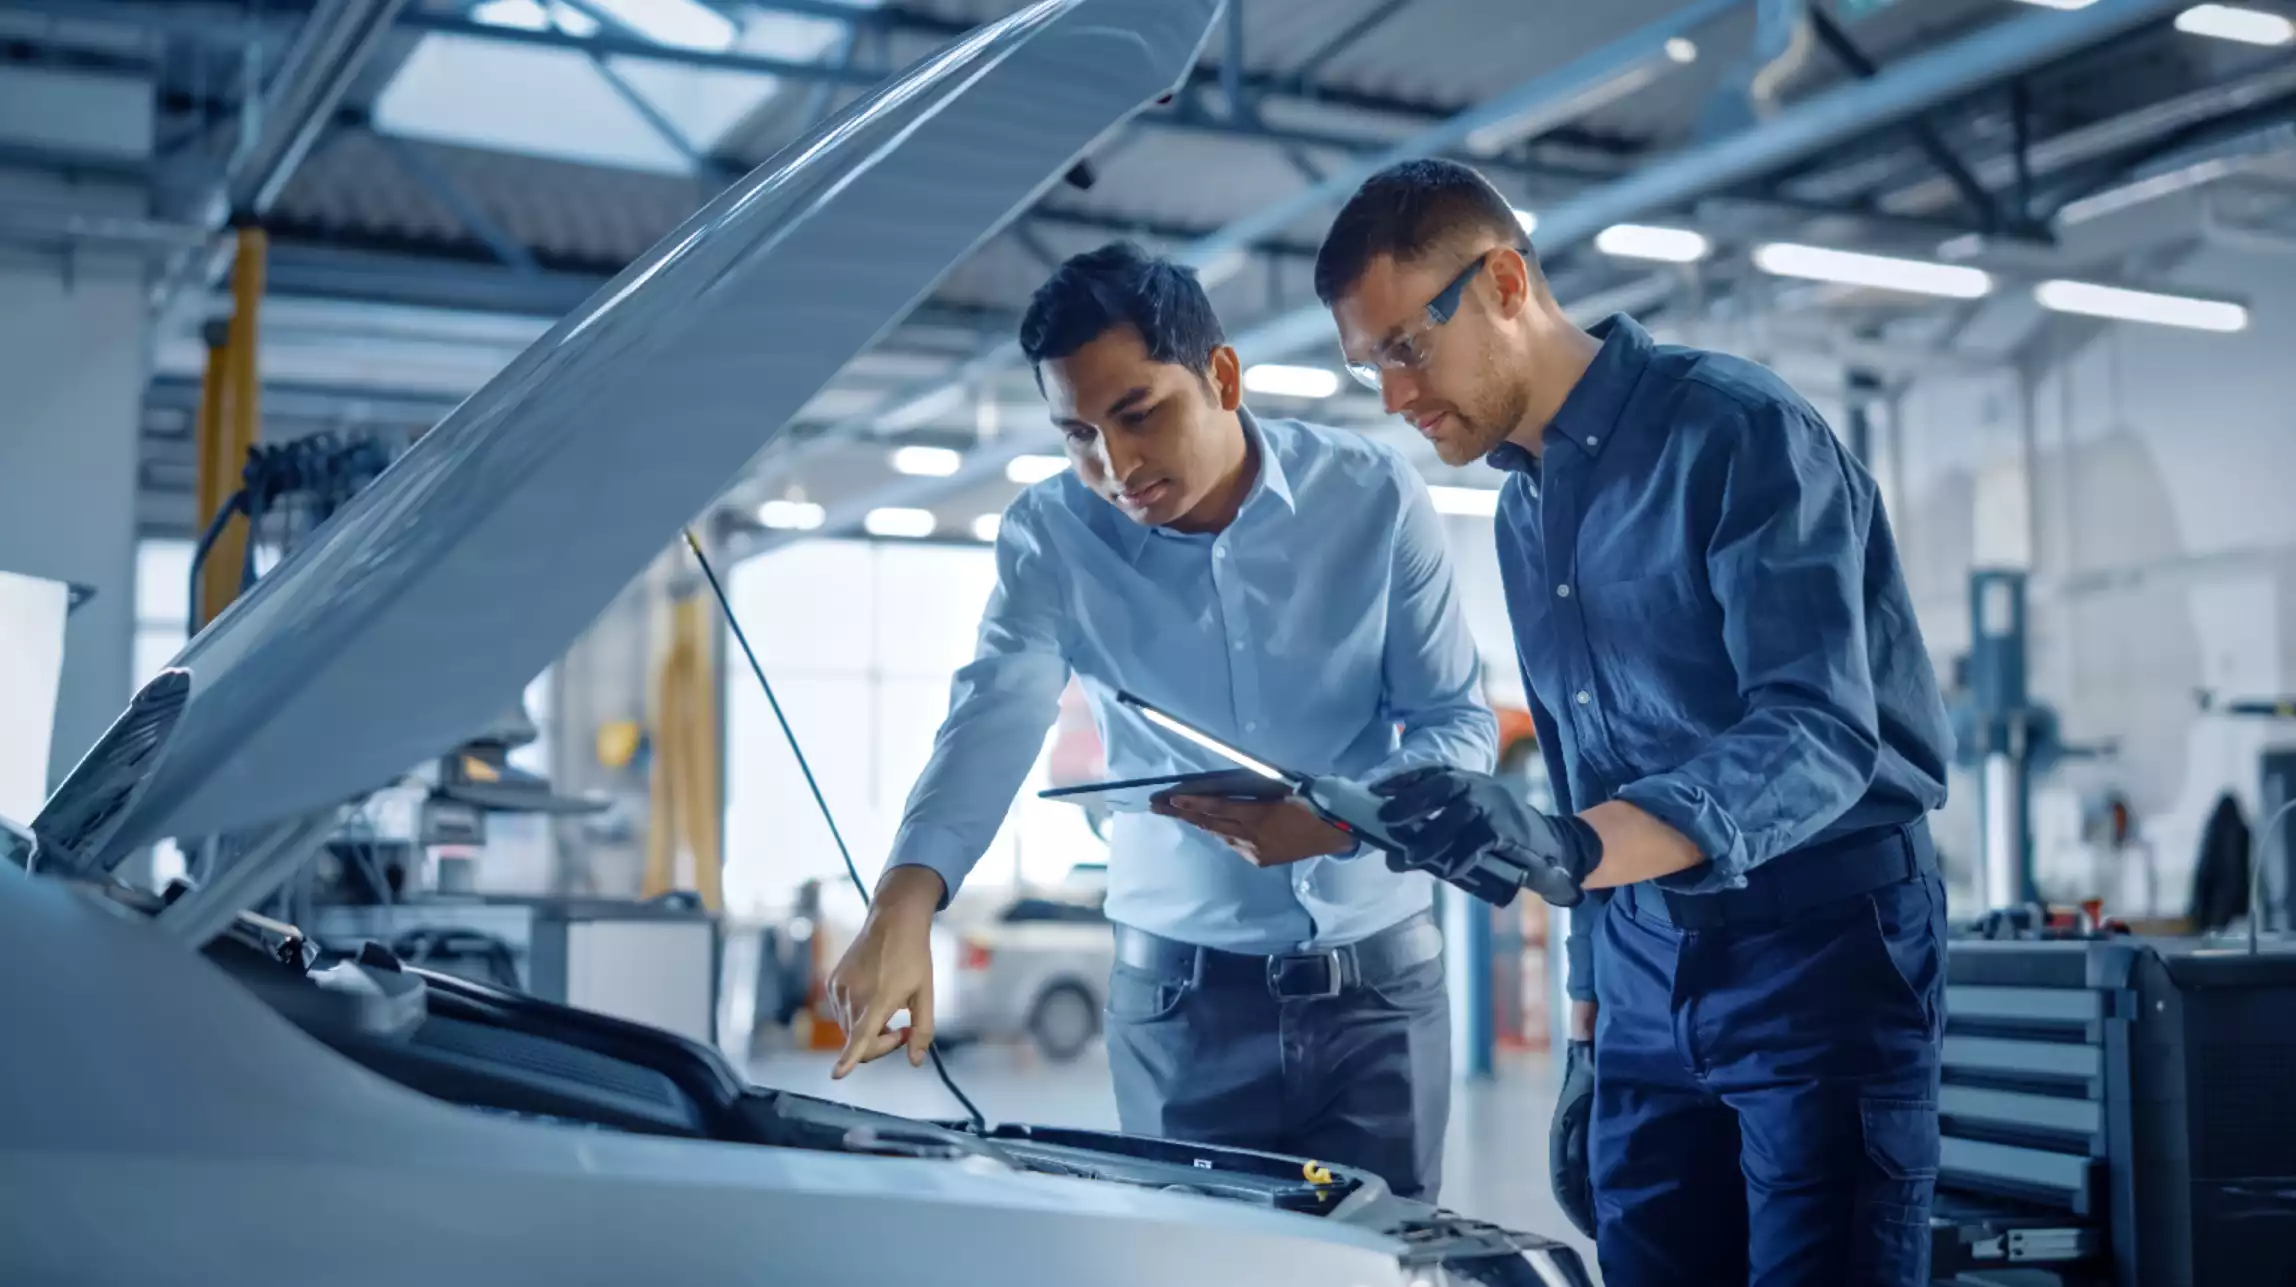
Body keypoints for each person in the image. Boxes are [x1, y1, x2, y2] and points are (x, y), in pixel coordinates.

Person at [1313, 159, 1954, 1285]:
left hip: (1823, 953)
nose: (1393, 400)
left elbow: (1815, 732)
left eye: (1405, 347)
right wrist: (1587, 1023)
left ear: (1505, 281)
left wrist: (1569, 848)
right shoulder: (1525, 508)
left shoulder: (1740, 435)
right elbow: (1580, 763)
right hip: (1642, 969)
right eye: (1368, 366)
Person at [824, 240, 1497, 1201]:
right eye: (1079, 435)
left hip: (1380, 998)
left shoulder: (1375, 500)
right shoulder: (1051, 536)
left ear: (1222, 375)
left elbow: (1455, 729)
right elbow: (994, 714)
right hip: (1182, 1011)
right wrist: (905, 898)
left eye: (1139, 414)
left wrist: (1340, 818)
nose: (1116, 464)